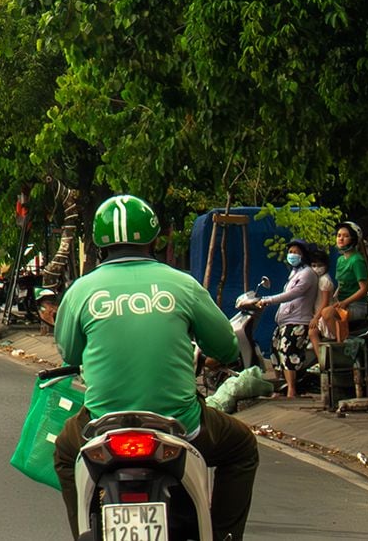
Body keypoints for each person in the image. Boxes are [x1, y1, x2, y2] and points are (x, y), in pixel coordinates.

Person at [50, 194, 257, 541]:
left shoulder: (81, 290)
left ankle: (83, 531)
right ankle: (222, 535)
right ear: (154, 238)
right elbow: (224, 345)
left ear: (99, 242)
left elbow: (70, 355)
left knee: (64, 451)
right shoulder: (182, 284)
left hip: (103, 423)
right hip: (181, 425)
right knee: (242, 447)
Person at [253, 238, 323, 398]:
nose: (292, 255)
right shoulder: (295, 273)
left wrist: (267, 300)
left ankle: (292, 390)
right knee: (275, 349)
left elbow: (292, 294)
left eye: (296, 253)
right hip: (285, 321)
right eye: (290, 252)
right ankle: (284, 386)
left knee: (288, 352)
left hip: (298, 321)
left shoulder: (307, 274)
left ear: (303, 255)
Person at [316, 221, 367, 343]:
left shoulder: (357, 260)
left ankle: (345, 345)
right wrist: (335, 299)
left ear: (353, 239)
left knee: (327, 313)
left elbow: (363, 289)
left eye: (345, 236)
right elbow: (341, 285)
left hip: (356, 306)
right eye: (339, 235)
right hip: (341, 303)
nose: (341, 239)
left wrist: (345, 302)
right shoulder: (340, 260)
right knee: (314, 328)